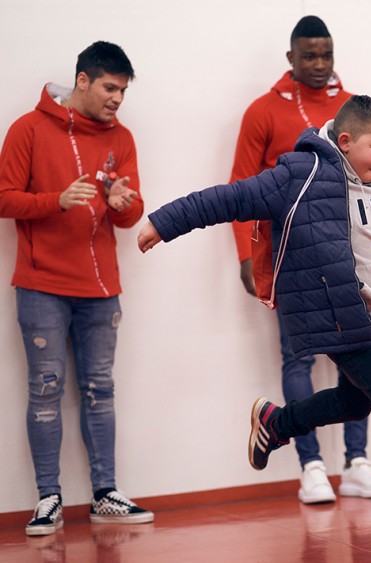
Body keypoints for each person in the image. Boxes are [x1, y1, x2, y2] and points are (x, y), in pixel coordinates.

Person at [137, 95, 371, 554]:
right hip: (342, 319)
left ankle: (276, 422)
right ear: (346, 141)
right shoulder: (300, 174)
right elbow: (228, 198)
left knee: (355, 403)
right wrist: (162, 222)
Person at [229, 15, 371, 505]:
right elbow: (241, 187)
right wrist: (244, 255)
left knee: (361, 357)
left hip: (353, 256)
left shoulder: (352, 109)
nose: (320, 64)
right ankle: (311, 466)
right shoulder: (262, 111)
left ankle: (358, 463)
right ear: (291, 59)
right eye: (309, 56)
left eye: (327, 54)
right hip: (292, 258)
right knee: (298, 358)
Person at [0, 41, 153, 536]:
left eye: (123, 91)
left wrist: (123, 202)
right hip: (41, 285)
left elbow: (128, 215)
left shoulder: (121, 137)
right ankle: (49, 498)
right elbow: (3, 198)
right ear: (82, 81)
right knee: (45, 390)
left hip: (101, 287)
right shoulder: (28, 128)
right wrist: (56, 201)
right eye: (110, 88)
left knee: (100, 390)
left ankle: (105, 493)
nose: (117, 99)